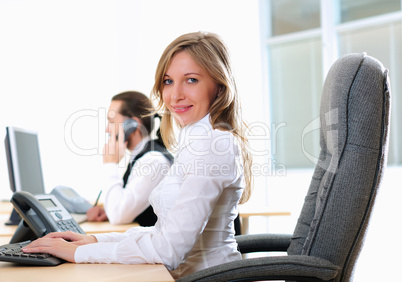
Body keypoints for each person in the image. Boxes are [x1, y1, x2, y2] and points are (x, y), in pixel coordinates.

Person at [22, 31, 253, 279]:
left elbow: (168, 250)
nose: (175, 95)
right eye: (168, 81)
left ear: (219, 86)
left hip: (206, 278)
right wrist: (92, 240)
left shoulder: (213, 146)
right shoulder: (194, 142)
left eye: (191, 80)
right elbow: (160, 232)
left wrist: (79, 253)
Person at [86, 91, 173, 226]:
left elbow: (117, 217)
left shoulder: (153, 161)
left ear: (133, 124)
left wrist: (110, 164)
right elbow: (121, 209)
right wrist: (108, 211)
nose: (107, 129)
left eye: (111, 121)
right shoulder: (141, 157)